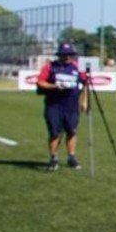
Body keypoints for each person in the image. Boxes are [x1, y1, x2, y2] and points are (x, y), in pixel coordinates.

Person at [35, 41, 90, 171]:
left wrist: (84, 101)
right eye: (65, 54)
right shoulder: (50, 67)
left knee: (72, 130)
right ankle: (53, 157)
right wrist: (54, 86)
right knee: (54, 132)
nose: (67, 57)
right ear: (59, 55)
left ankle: (71, 156)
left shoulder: (77, 68)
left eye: (70, 54)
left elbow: (85, 83)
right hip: (54, 105)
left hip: (71, 106)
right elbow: (40, 82)